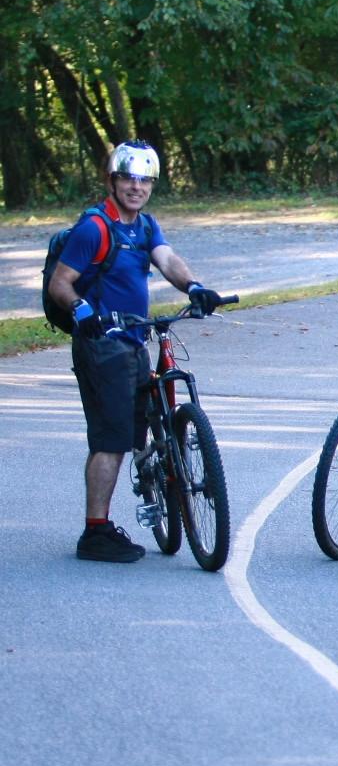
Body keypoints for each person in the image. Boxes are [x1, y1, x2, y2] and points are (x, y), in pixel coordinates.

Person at [47, 141, 229, 563]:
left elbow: (167, 259)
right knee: (110, 439)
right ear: (112, 180)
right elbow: (61, 283)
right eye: (128, 177)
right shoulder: (94, 227)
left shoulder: (144, 227)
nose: (136, 186)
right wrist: (82, 309)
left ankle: (157, 482)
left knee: (136, 429)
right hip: (100, 345)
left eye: (145, 180)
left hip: (131, 341)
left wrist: (195, 287)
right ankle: (95, 532)